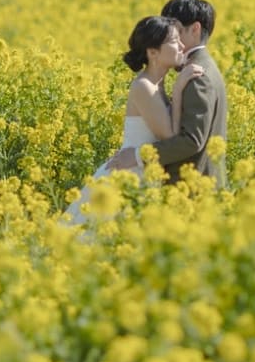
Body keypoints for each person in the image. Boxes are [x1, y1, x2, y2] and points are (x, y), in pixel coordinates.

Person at [62, 15, 202, 224]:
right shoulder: (144, 86)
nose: (182, 46)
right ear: (153, 52)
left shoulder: (156, 84)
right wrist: (180, 87)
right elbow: (171, 136)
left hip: (141, 169)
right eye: (174, 41)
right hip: (129, 174)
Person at [106, 0, 227, 188]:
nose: (173, 37)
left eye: (177, 30)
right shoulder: (192, 70)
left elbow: (190, 141)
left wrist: (137, 155)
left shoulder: (198, 75)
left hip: (192, 187)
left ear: (195, 29)